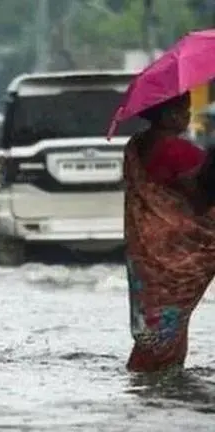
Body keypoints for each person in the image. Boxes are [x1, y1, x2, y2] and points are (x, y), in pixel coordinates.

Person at [123, 92, 215, 372]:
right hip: (180, 248)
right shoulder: (177, 151)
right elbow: (200, 191)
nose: (185, 116)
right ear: (165, 115)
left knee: (157, 322)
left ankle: (149, 378)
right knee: (169, 325)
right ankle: (159, 378)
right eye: (181, 110)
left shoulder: (136, 145)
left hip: (147, 250)